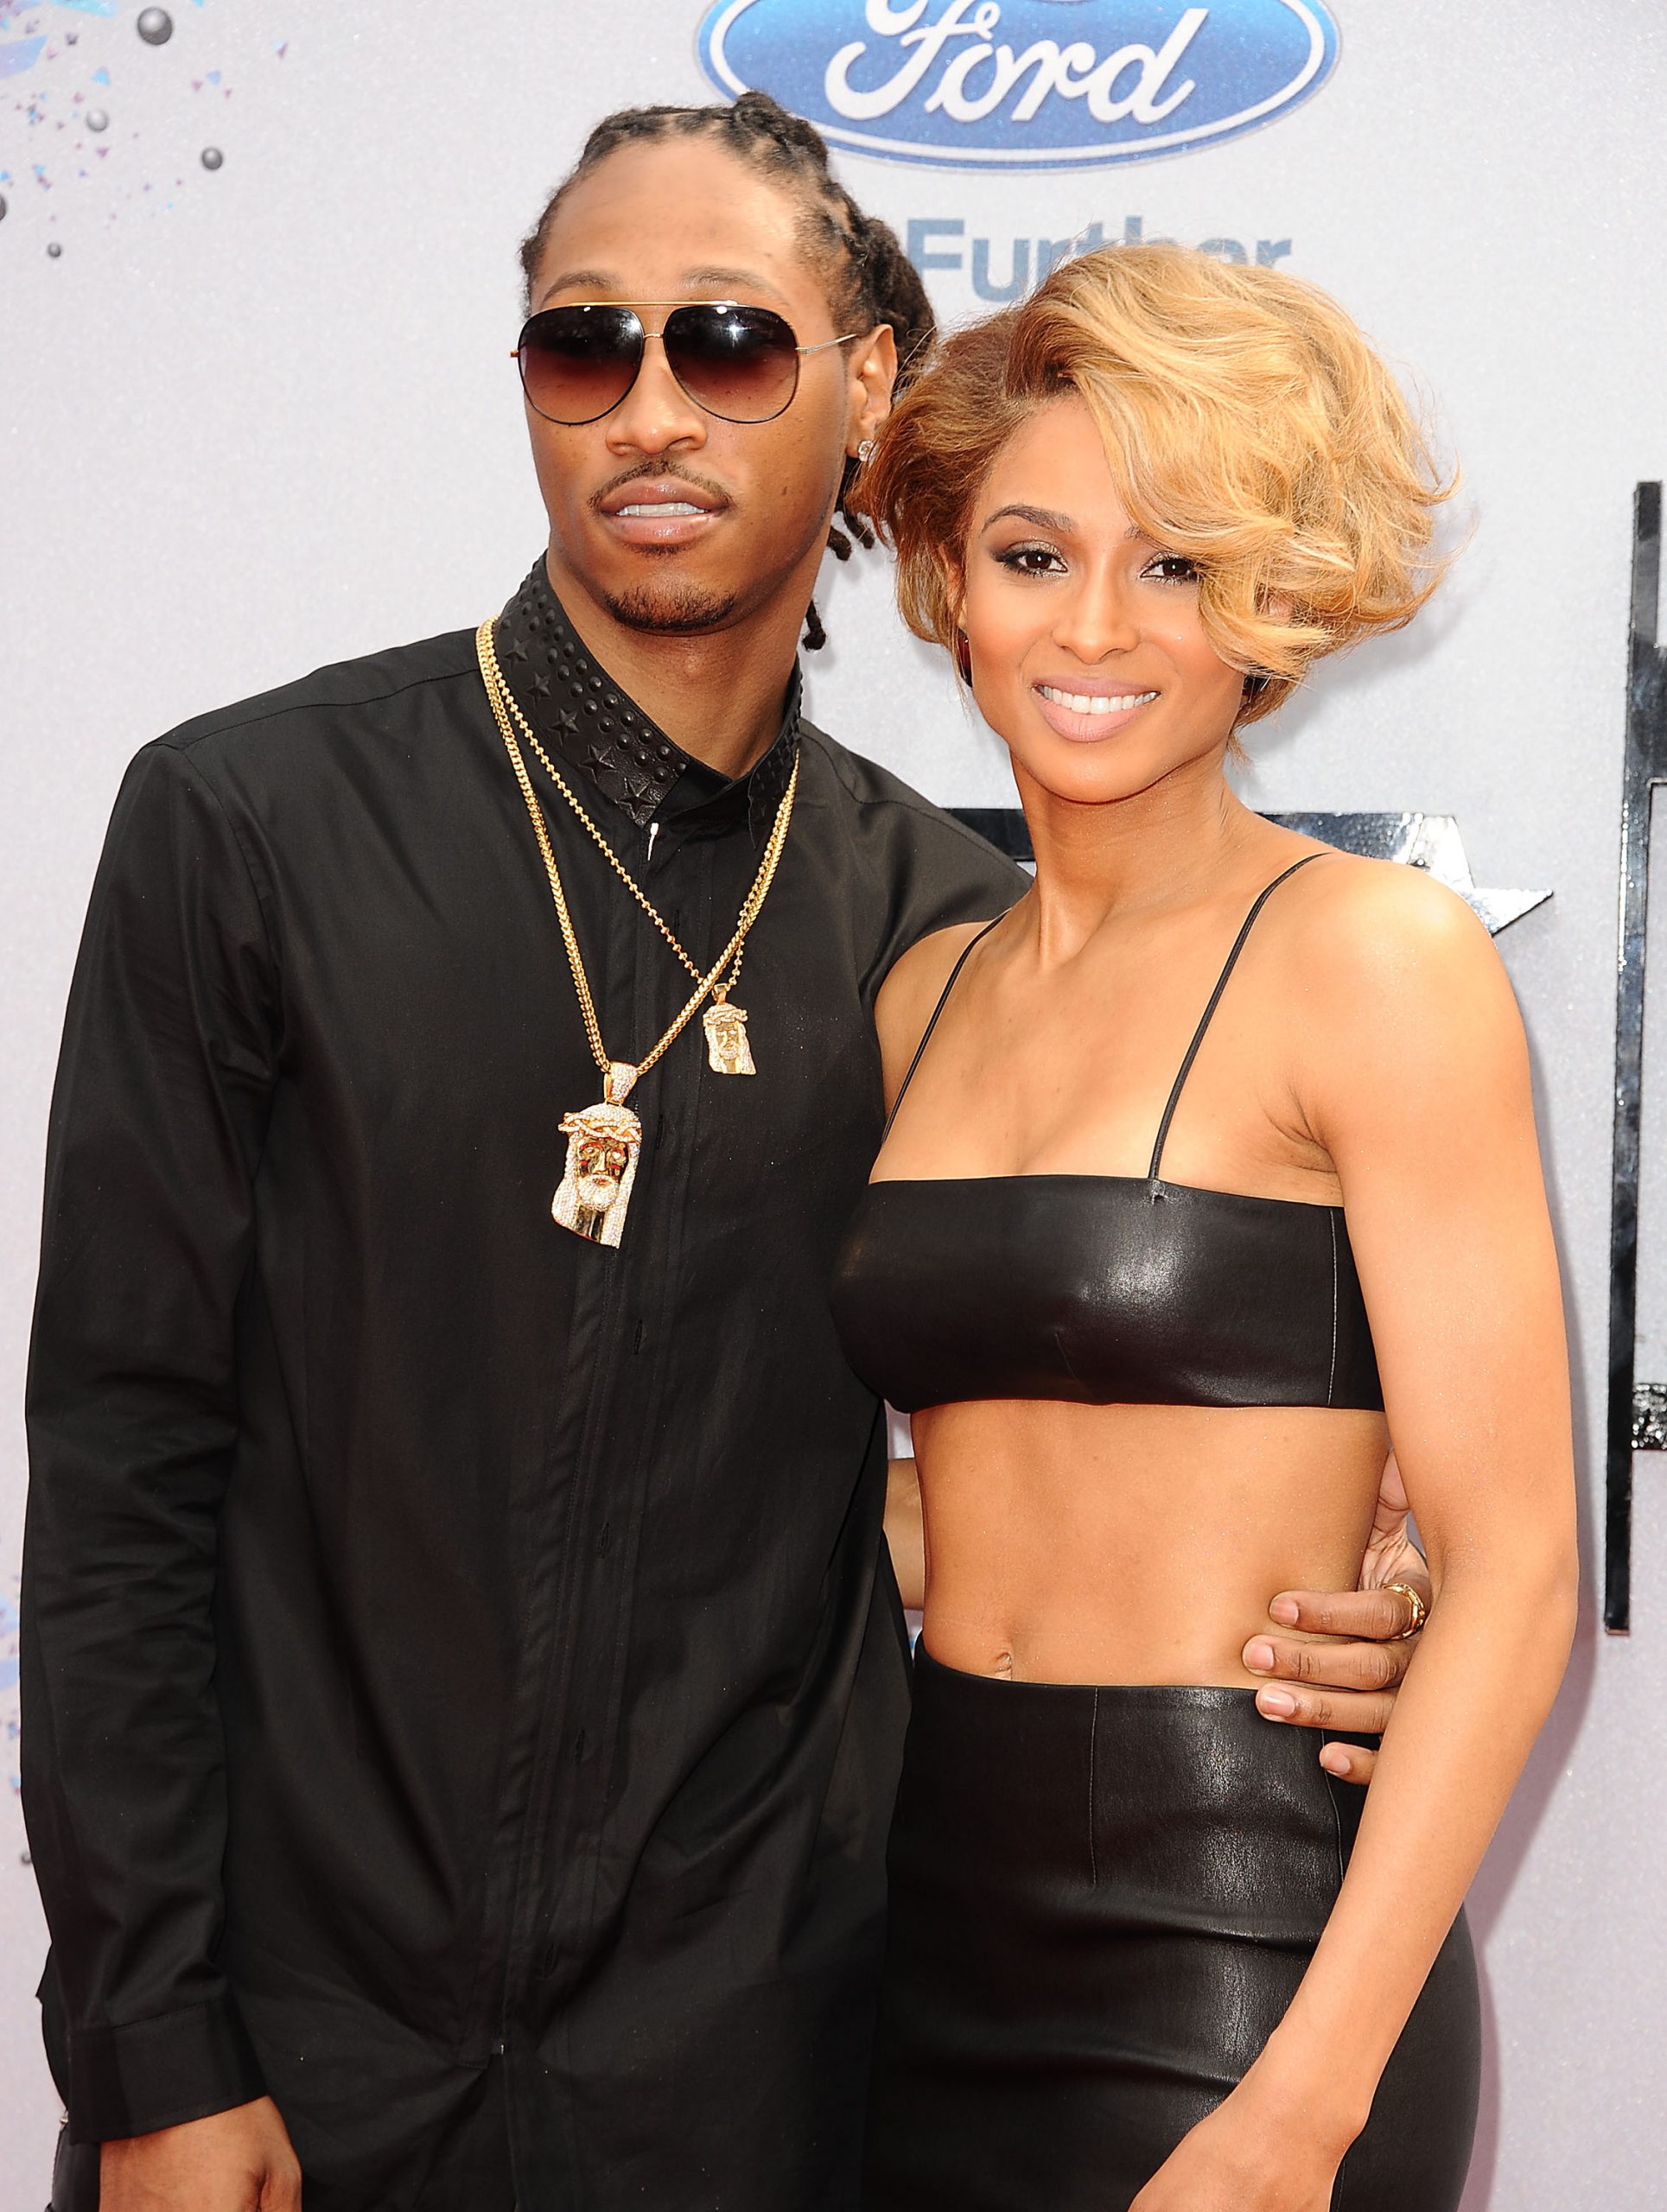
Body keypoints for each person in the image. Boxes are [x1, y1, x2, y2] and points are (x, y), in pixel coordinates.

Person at [24, 99, 1436, 2212]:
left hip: (753, 2084)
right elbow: (121, 1471)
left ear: (867, 388)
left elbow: (1089, 1428)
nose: (650, 408)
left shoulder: (940, 940)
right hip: (290, 2077)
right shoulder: (253, 827)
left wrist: (1377, 1582)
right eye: (581, 343)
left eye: (727, 340)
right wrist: (154, 2049)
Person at [832, 244, 1577, 2211]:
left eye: (1173, 562)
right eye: (1031, 554)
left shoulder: (1373, 961)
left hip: (1246, 1942)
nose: (1094, 625)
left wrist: (1299, 2108)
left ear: (1262, 603)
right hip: (923, 1920)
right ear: (950, 581)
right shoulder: (920, 995)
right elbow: (966, 1473)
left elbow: (1511, 1573)